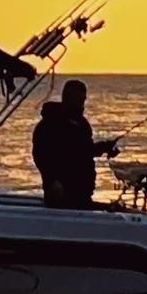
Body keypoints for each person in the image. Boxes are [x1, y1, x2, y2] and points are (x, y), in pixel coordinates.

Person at [31, 78, 118, 209]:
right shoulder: (49, 124)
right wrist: (52, 180)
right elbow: (41, 156)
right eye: (78, 100)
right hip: (61, 194)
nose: (82, 104)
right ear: (67, 99)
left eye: (83, 100)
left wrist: (104, 147)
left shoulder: (82, 123)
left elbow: (84, 151)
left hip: (82, 192)